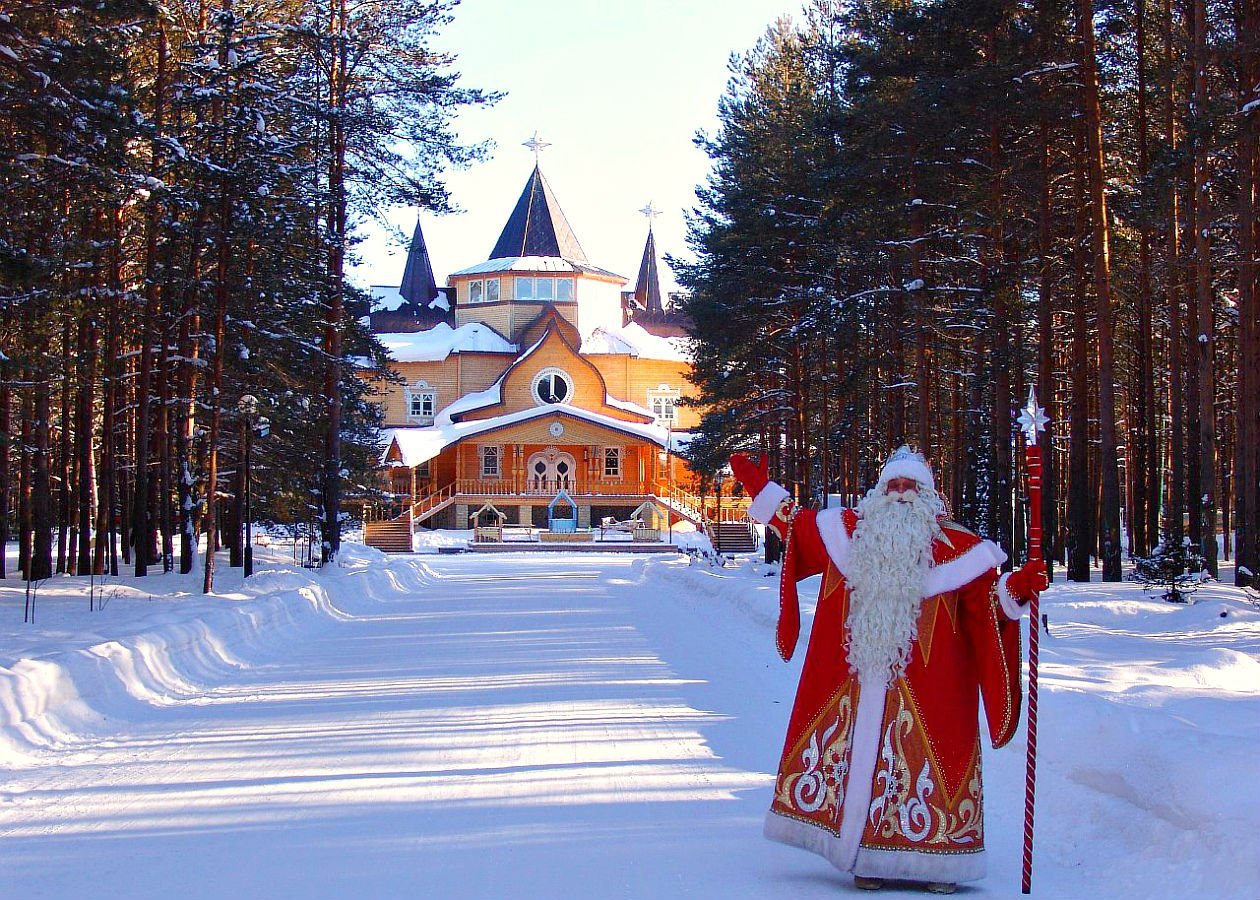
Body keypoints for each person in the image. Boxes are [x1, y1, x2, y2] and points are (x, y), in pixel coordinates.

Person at [729, 447, 1047, 894]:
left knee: (932, 764)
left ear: (929, 496)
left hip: (935, 693)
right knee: (862, 760)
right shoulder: (848, 533)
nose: (900, 494)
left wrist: (1016, 589)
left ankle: (941, 864)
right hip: (858, 682)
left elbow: (988, 608)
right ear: (878, 493)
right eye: (893, 485)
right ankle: (868, 858)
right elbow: (797, 526)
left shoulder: (963, 552)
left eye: (910, 486)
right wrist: (760, 490)